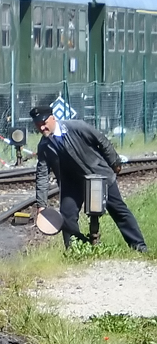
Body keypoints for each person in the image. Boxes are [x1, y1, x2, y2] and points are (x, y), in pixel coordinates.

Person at [30, 103, 148, 251]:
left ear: (53, 118)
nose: (41, 128)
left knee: (119, 211)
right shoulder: (44, 146)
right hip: (72, 183)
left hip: (99, 175)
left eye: (44, 123)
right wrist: (41, 205)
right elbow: (42, 174)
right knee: (67, 216)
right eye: (37, 125)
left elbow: (101, 140)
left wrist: (114, 162)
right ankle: (76, 250)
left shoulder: (77, 127)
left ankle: (139, 246)